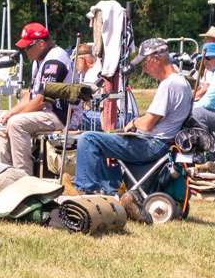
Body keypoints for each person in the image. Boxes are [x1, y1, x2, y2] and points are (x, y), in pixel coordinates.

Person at [72, 39, 191, 214]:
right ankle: (109, 191)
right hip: (163, 143)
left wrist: (134, 123)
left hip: (152, 144)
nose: (143, 69)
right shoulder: (183, 82)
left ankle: (85, 192)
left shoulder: (169, 84)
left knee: (88, 138)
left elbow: (148, 124)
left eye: (145, 63)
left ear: (155, 59)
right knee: (106, 138)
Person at [0, 22, 71, 172]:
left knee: (16, 123)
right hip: (45, 112)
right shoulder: (38, 61)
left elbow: (41, 100)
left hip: (60, 115)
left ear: (41, 44)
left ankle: (23, 177)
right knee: (1, 122)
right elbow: (30, 95)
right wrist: (10, 113)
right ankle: (6, 174)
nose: (24, 51)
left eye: (27, 47)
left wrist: (15, 116)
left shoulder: (55, 60)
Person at [66, 43, 102, 131]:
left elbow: (88, 104)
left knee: (71, 117)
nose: (74, 66)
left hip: (107, 116)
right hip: (104, 114)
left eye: (75, 61)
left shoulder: (93, 74)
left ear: (82, 59)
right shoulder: (96, 69)